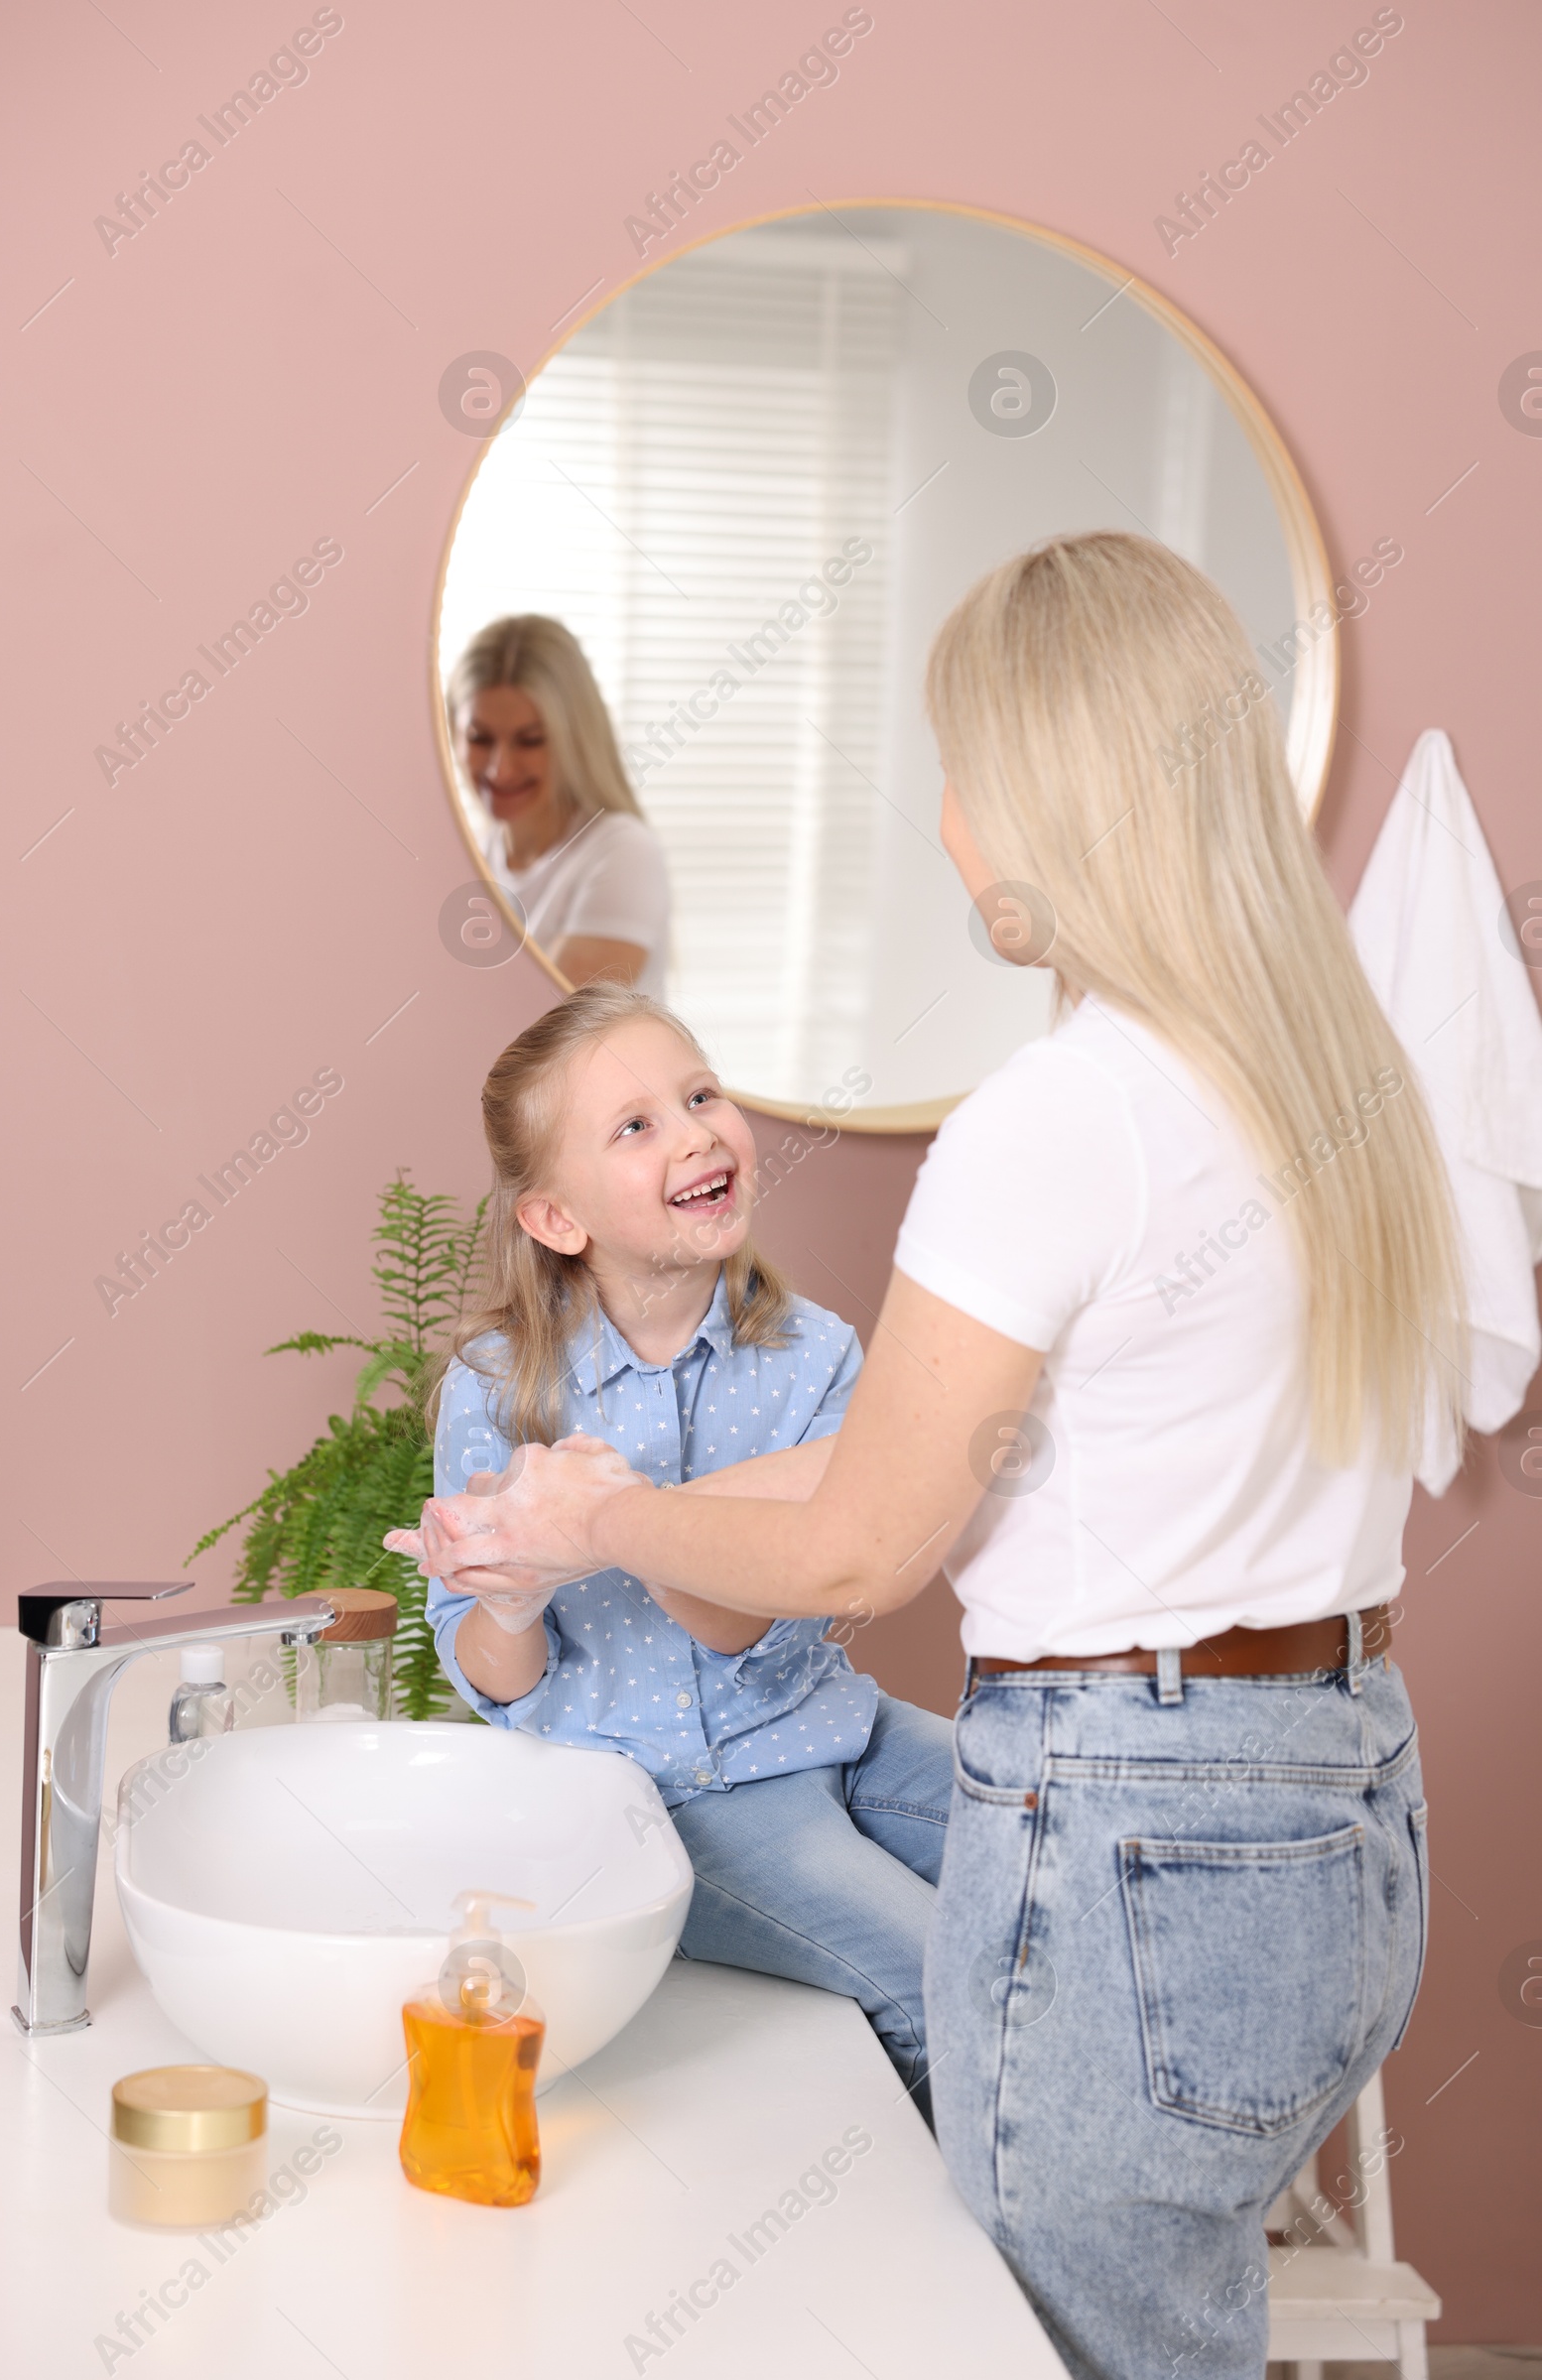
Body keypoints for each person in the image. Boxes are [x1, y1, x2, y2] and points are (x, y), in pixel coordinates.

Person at [406, 533, 1465, 2380]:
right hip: (1339, 1798)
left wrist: (591, 1518)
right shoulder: (1324, 1067)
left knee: (1068, 2345)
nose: (955, 825)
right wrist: (579, 1509)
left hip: (1134, 1822)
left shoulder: (1061, 1119)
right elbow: (877, 1471)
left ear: (1052, 793)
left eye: (964, 776)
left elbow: (851, 1546)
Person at [385, 982, 955, 2115]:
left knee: (1076, 1843)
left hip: (828, 1730)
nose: (695, 1130)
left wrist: (605, 1513)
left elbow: (751, 1612)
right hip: (669, 1805)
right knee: (949, 1982)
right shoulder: (501, 1390)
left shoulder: (814, 1358)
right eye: (635, 1124)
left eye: (700, 1095)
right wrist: (508, 1591)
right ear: (556, 1218)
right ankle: (967, 2274)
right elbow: (495, 1674)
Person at [448, 615, 670, 994]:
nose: (500, 769)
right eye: (480, 738)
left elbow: (543, 1033)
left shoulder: (621, 852)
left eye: (530, 740)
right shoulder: (473, 856)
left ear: (576, 738)